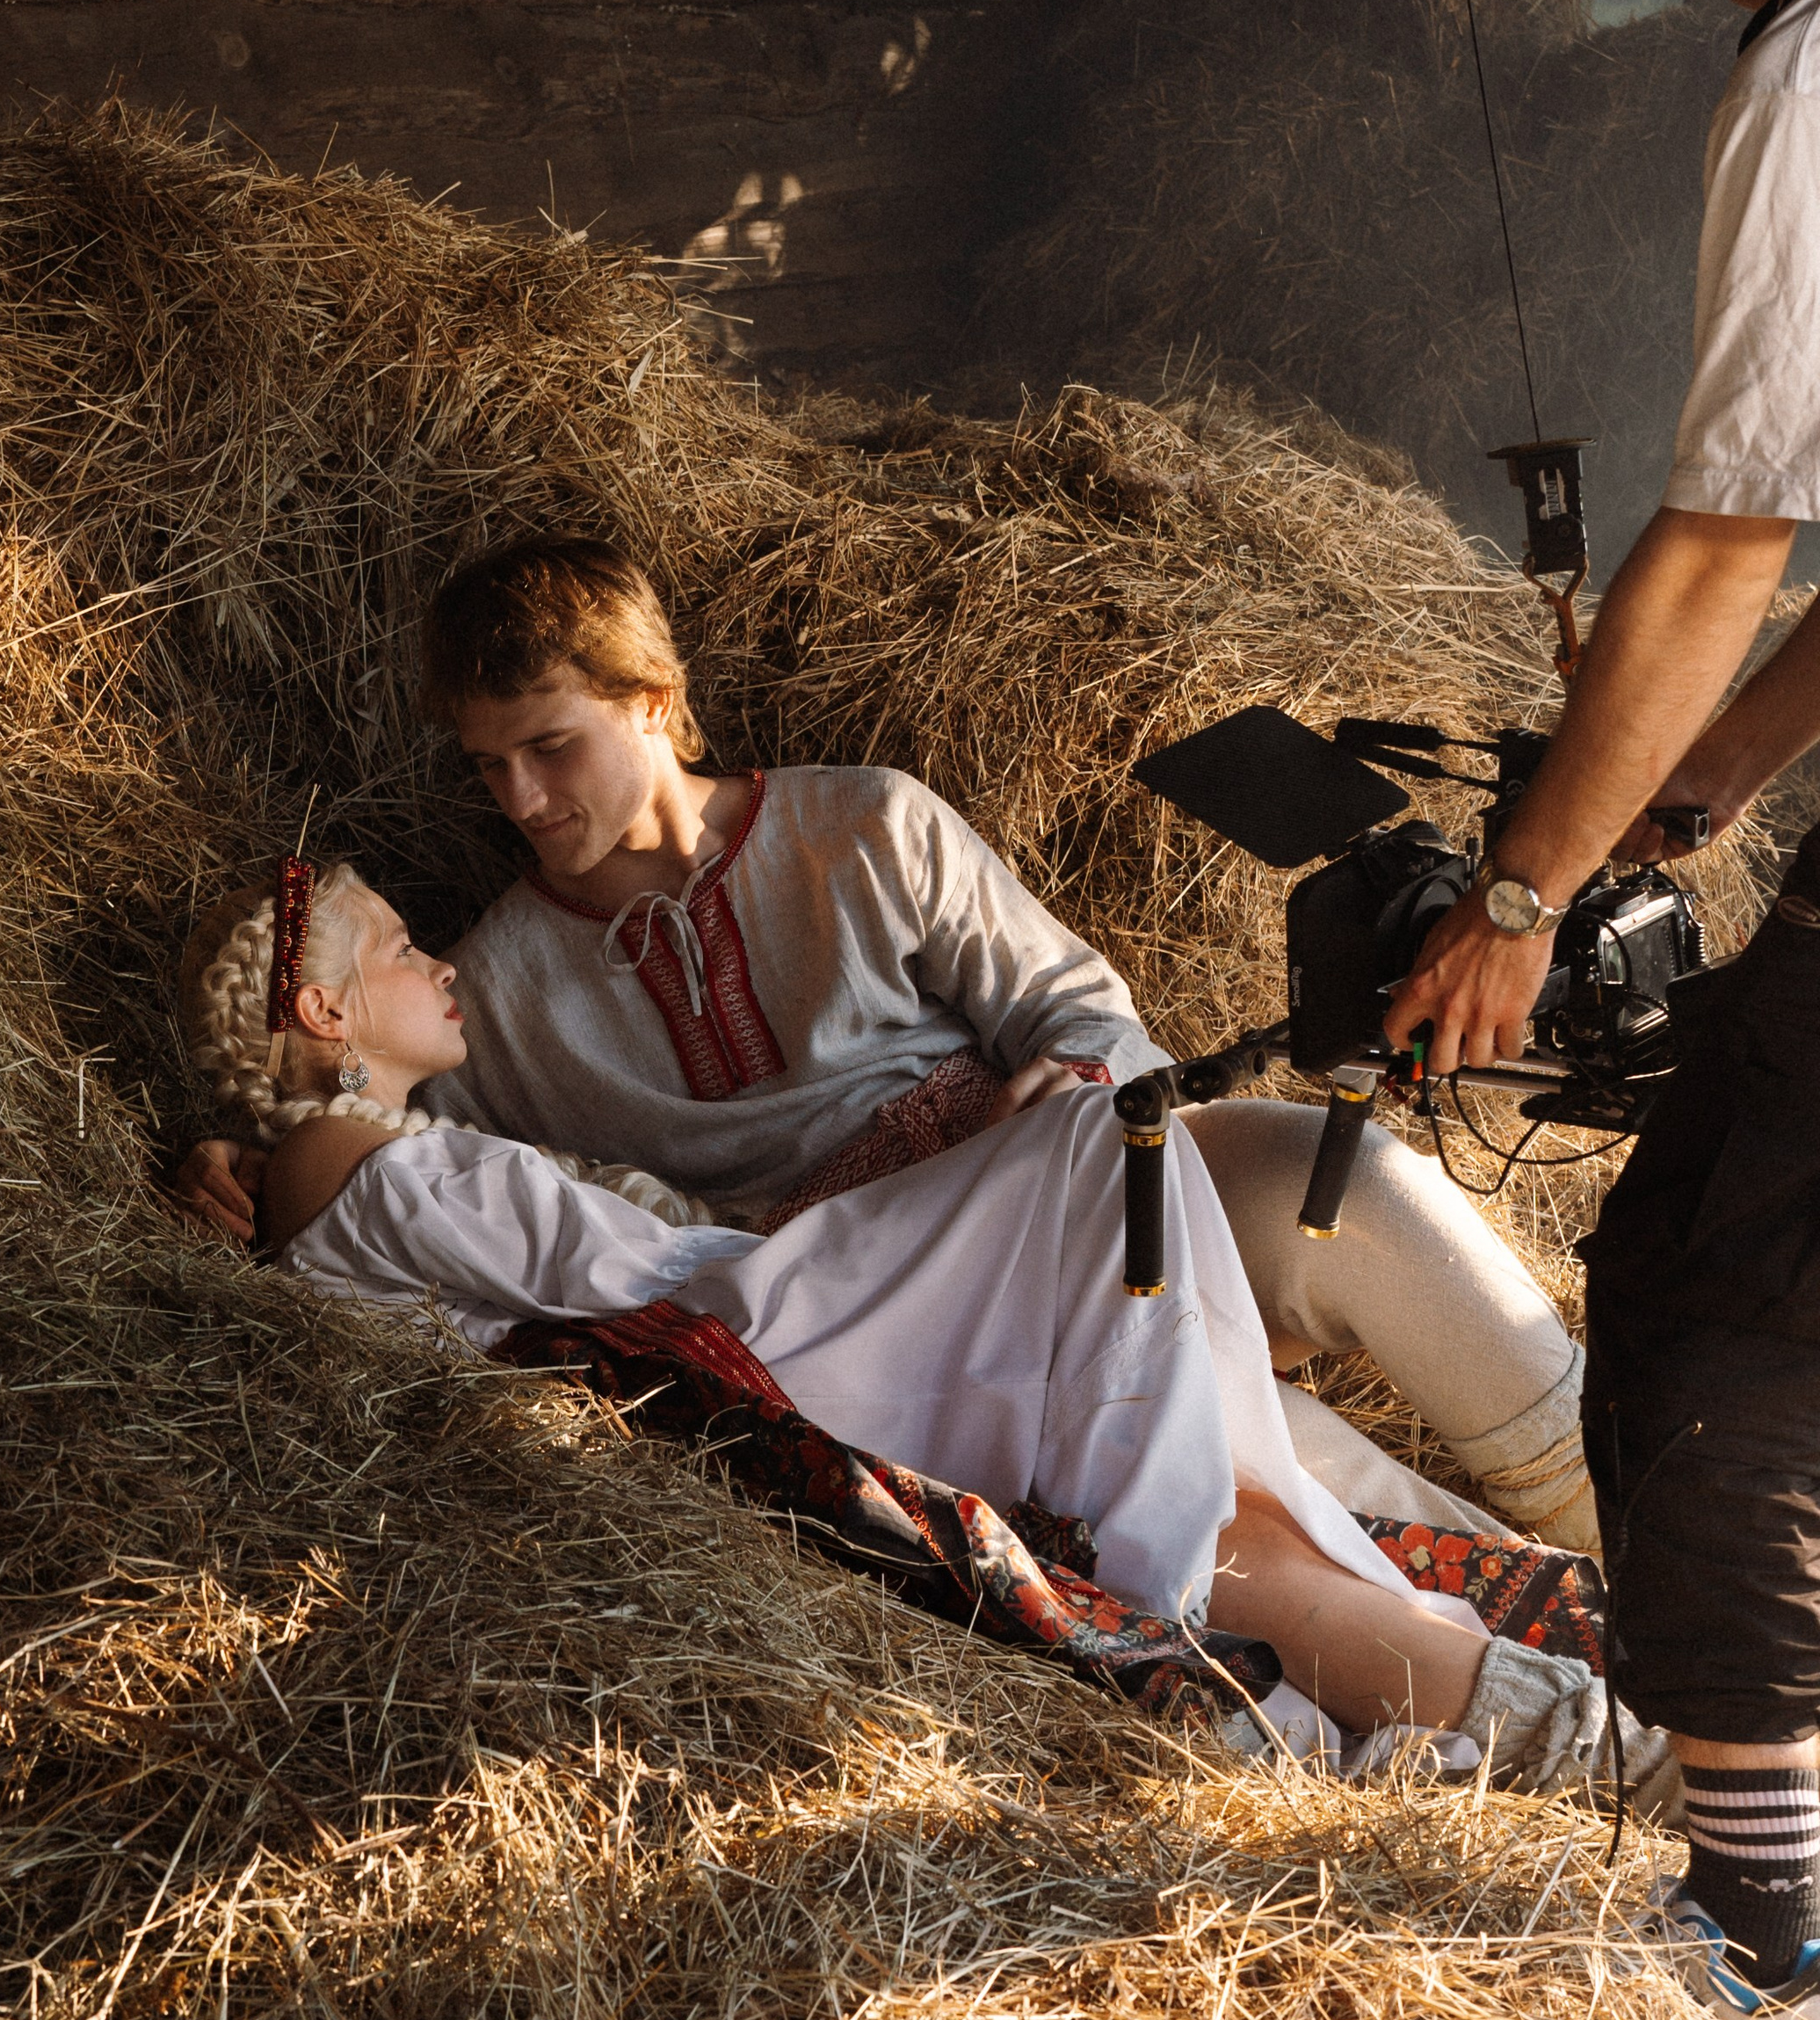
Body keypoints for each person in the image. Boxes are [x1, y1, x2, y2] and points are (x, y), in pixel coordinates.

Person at [176, 541, 1595, 1550]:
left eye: (551, 745)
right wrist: (244, 1155)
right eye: (489, 767)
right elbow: (398, 1153)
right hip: (872, 1326)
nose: (523, 798)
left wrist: (1074, 1089)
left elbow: (1084, 1016)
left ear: (655, 701)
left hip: (1061, 1181)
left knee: (1351, 1188)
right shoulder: (496, 984)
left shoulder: (865, 822)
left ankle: (1631, 1523)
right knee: (1291, 1490)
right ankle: (1613, 1652)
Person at [181, 854, 1657, 1781]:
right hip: (742, 1338)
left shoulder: (358, 1157)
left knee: (1117, 1220)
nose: (439, 965)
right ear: (320, 1019)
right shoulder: (344, 1160)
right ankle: (1611, 1726)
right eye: (391, 953)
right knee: (1086, 1169)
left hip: (737, 1311)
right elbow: (620, 1288)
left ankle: (1591, 1686)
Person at [1385, 0, 1820, 2020]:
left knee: (1708, 1310)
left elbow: (1719, 547)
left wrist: (1522, 897)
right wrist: (1730, 772)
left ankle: (1775, 1943)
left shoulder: (1818, 66)